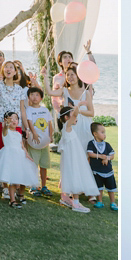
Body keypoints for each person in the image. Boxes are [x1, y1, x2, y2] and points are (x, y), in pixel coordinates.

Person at [54, 63, 98, 213]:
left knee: (85, 156)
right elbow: (50, 93)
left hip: (84, 125)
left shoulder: (87, 92)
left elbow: (91, 113)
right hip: (71, 125)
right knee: (72, 157)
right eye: (68, 74)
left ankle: (87, 190)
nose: (70, 77)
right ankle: (69, 189)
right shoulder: (65, 91)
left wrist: (78, 111)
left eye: (73, 74)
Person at [0, 111, 39, 208]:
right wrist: (6, 124)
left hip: (20, 156)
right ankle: (12, 200)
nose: (14, 120)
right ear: (6, 120)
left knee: (23, 178)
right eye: (11, 118)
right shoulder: (5, 131)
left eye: (16, 119)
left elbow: (22, 146)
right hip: (10, 156)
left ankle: (20, 195)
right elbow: (5, 128)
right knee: (13, 179)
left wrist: (27, 154)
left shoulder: (18, 133)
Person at [0, 60, 28, 160]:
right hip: (0, 122)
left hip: (15, 124)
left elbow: (22, 110)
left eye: (11, 67)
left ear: (15, 72)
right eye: (6, 67)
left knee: (16, 153)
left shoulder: (19, 89)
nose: (8, 69)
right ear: (3, 71)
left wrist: (27, 128)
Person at [23, 85, 55, 197]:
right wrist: (34, 134)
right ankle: (33, 185)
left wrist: (50, 136)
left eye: (37, 95)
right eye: (32, 95)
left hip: (44, 143)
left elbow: (50, 123)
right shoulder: (29, 110)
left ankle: (44, 185)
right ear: (28, 97)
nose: (34, 97)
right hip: (34, 141)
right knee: (33, 164)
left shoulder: (45, 110)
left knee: (44, 165)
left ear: (41, 98)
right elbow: (30, 122)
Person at [87, 122, 118, 210]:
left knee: (110, 188)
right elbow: (90, 153)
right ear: (95, 134)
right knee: (99, 187)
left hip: (108, 171)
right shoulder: (91, 144)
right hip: (97, 171)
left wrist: (107, 158)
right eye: (102, 132)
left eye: (104, 132)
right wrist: (100, 156)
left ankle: (113, 203)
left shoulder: (107, 145)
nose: (104, 135)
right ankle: (99, 201)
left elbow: (112, 156)